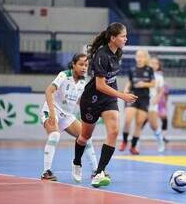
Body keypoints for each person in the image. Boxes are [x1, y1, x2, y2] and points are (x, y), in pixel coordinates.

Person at [72, 22, 138, 187]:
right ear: (113, 38)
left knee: (114, 131)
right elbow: (100, 85)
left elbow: (109, 82)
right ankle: (76, 162)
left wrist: (117, 96)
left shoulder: (118, 52)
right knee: (84, 137)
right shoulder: (101, 55)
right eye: (123, 36)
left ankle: (99, 172)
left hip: (108, 99)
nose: (126, 38)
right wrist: (122, 96)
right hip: (92, 99)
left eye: (125, 35)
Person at [40, 53, 98, 181]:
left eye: (86, 65)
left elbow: (78, 101)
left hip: (67, 116)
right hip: (52, 110)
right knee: (55, 135)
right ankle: (46, 172)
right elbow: (48, 91)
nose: (84, 67)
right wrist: (51, 113)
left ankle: (96, 171)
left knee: (85, 136)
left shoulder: (83, 81)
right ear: (73, 64)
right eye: (81, 64)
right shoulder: (64, 75)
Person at [118, 50, 157, 155]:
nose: (139, 58)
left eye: (141, 56)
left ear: (145, 58)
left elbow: (153, 84)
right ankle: (124, 141)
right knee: (127, 120)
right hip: (133, 96)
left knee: (139, 123)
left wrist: (144, 84)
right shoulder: (132, 69)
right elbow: (130, 82)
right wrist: (126, 88)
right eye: (137, 56)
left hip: (144, 98)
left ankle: (133, 146)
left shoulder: (149, 69)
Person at [146, 57, 165, 151]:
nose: (153, 65)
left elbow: (161, 91)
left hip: (152, 102)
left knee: (153, 125)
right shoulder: (143, 74)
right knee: (139, 122)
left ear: (158, 66)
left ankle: (160, 141)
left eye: (155, 63)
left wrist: (157, 99)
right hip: (141, 101)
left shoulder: (159, 77)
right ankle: (134, 144)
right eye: (151, 62)